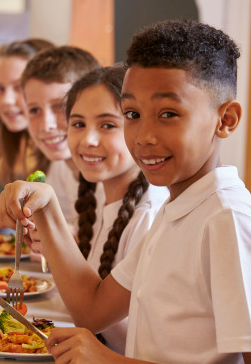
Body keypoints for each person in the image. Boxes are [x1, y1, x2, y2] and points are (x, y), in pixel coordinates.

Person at [0, 20, 251, 363]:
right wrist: (46, 208)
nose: (143, 136)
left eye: (168, 113)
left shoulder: (226, 218)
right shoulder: (178, 208)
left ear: (225, 120)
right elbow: (92, 309)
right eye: (133, 114)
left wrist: (108, 360)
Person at [63, 65, 171, 353]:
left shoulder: (149, 214)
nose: (88, 139)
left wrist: (54, 238)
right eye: (77, 124)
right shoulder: (98, 194)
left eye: (107, 125)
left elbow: (135, 341)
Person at [20, 45, 101, 229]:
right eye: (34, 110)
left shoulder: (110, 178)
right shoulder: (61, 166)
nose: (46, 124)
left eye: (60, 106)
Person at [0, 38, 54, 186]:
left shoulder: (63, 158)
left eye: (19, 87)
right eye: (0, 88)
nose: (6, 100)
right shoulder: (25, 149)